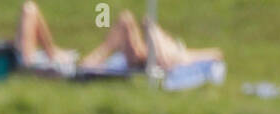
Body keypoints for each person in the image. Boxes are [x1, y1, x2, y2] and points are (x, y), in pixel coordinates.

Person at [16, 3, 222, 70]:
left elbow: (216, 54)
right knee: (126, 19)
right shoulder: (177, 51)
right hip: (146, 54)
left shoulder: (179, 55)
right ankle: (62, 54)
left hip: (148, 58)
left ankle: (90, 59)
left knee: (29, 9)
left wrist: (154, 32)